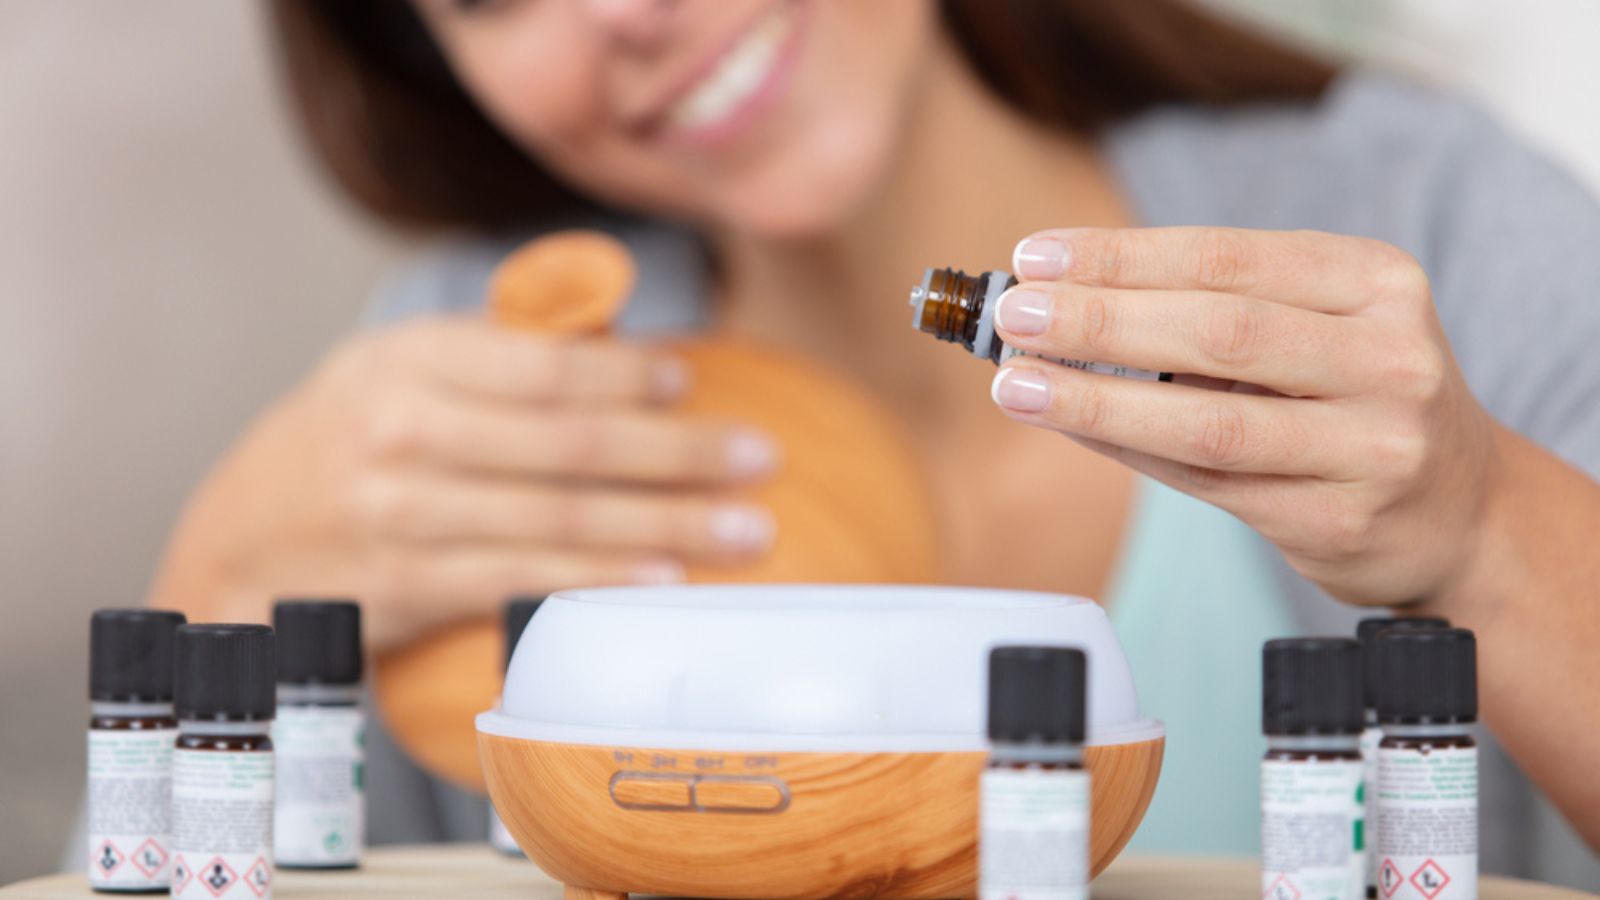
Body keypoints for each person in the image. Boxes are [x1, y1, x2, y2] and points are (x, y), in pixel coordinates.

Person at [148, 0, 1600, 877]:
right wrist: (212, 597)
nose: (626, 12)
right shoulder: (471, 374)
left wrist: (1487, 533)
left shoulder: (1442, 229)